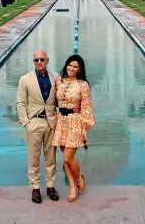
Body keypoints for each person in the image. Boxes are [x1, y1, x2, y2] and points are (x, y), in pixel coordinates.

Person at [16, 50, 59, 204]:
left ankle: (50, 186)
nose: (39, 62)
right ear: (33, 61)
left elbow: (61, 99)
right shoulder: (25, 79)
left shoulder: (55, 78)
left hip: (51, 122)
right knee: (34, 158)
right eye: (36, 60)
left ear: (47, 60)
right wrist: (26, 122)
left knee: (51, 157)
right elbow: (20, 102)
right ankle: (35, 188)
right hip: (34, 122)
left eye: (42, 59)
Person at [53, 54, 95, 203]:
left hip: (75, 121)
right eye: (69, 65)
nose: (71, 68)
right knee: (66, 159)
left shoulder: (82, 85)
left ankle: (78, 180)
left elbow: (87, 106)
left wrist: (85, 126)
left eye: (75, 66)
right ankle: (73, 186)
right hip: (61, 121)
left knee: (67, 158)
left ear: (79, 69)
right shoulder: (60, 81)